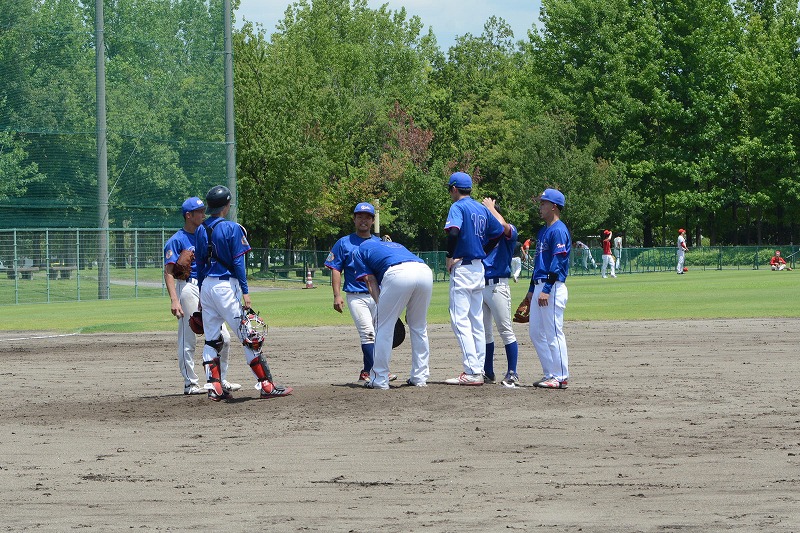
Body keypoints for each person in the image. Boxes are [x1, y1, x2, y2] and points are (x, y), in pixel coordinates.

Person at [195, 185, 292, 400]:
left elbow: (200, 264)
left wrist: (201, 293)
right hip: (225, 288)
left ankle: (214, 388)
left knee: (211, 340)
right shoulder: (233, 228)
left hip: (207, 287)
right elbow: (238, 262)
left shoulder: (201, 229)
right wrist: (246, 291)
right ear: (226, 205)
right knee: (249, 336)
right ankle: (266, 385)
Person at [163, 196, 238, 396]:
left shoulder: (205, 233)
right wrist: (174, 300)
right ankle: (190, 383)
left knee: (224, 337)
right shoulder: (176, 240)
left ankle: (220, 380)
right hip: (187, 288)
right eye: (200, 211)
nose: (204, 214)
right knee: (189, 337)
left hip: (207, 288)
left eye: (204, 210)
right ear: (189, 215)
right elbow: (168, 272)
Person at [443, 172, 508, 386]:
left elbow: (453, 232)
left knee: (459, 320)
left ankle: (472, 371)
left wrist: (449, 256)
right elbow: (498, 232)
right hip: (479, 268)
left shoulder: (458, 207)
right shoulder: (481, 208)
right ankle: (478, 368)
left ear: (454, 189)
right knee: (475, 321)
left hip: (463, 268)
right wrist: (483, 250)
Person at [324, 202, 396, 382]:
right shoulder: (344, 242)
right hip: (356, 296)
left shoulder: (379, 243)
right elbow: (335, 268)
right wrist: (337, 295)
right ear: (354, 219)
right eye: (360, 217)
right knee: (368, 333)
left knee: (381, 334)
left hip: (378, 295)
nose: (364, 220)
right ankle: (379, 371)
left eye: (367, 217)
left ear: (372, 221)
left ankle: (367, 371)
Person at [353, 239, 433, 389]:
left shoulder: (359, 250)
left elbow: (370, 280)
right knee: (419, 326)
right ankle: (420, 377)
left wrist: (382, 308)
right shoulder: (396, 245)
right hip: (425, 272)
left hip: (398, 273)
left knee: (383, 327)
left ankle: (379, 379)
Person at [517, 188, 571, 389]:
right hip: (540, 285)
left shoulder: (559, 230)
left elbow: (558, 262)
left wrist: (547, 288)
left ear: (554, 206)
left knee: (553, 333)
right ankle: (551, 373)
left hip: (553, 287)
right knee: (536, 333)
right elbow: (539, 264)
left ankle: (561, 376)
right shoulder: (543, 231)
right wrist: (531, 291)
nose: (540, 207)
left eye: (543, 203)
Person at [480, 198, 521, 387]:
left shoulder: (507, 232)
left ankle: (512, 373)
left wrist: (491, 208)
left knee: (505, 330)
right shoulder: (482, 236)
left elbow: (505, 227)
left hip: (498, 286)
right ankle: (488, 372)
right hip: (480, 286)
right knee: (484, 333)